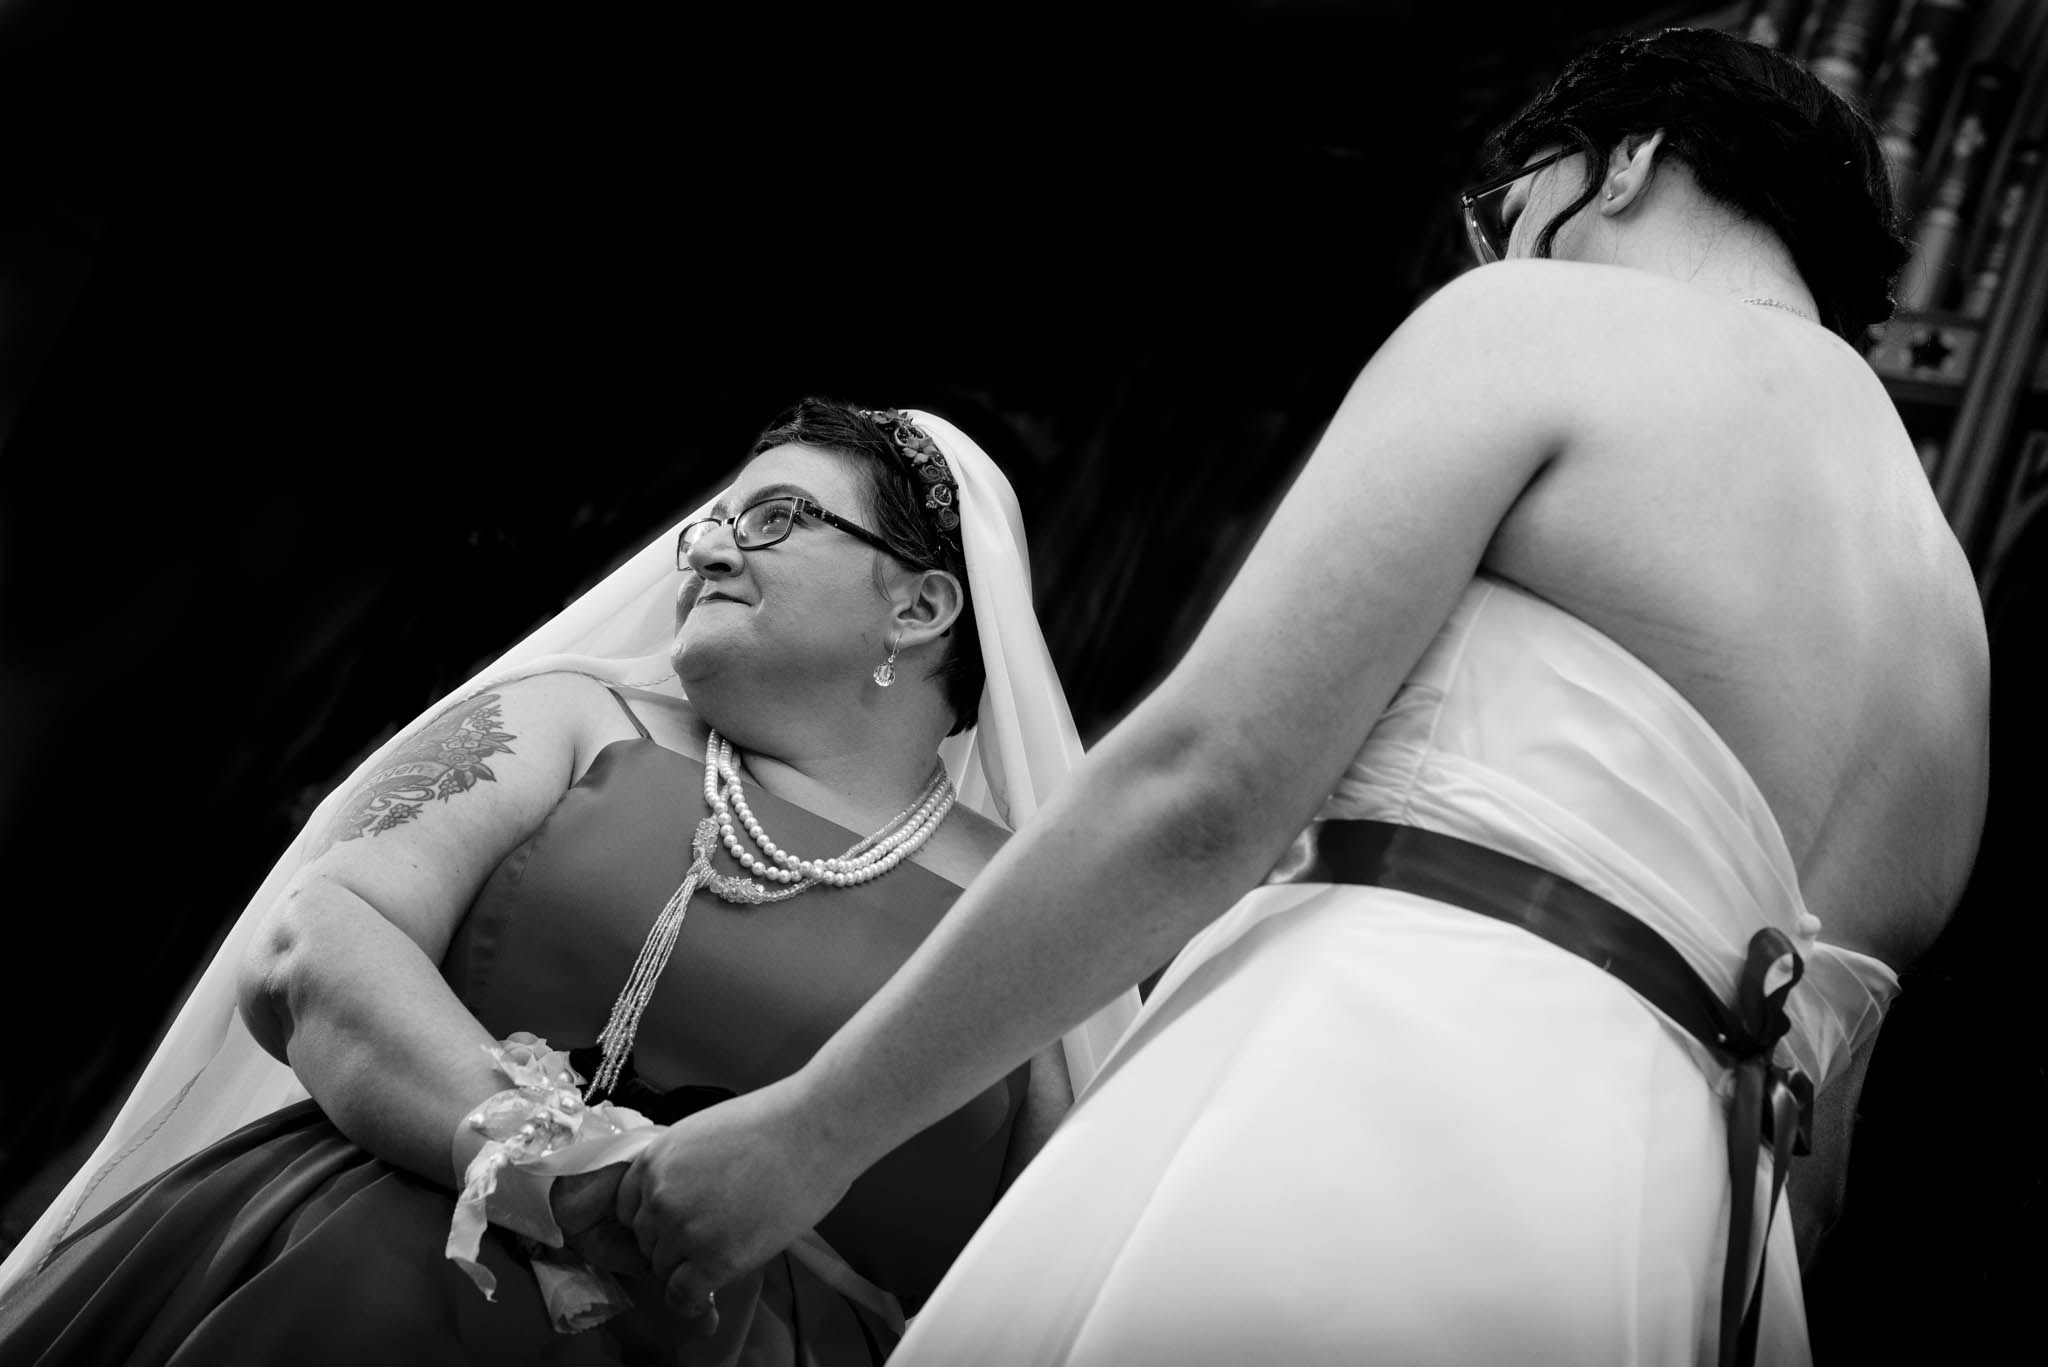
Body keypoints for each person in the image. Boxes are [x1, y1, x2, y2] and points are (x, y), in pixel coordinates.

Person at [609, 28, 1989, 1367]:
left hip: (1381, 1098)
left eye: (1510, 215)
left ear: (1619, 165)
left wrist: (814, 1129)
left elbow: (1204, 784)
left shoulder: (1562, 324)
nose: (1497, 255)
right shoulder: (1951, 628)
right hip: (1672, 1251)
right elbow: (1817, 1161)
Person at [0, 400, 1140, 1365]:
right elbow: (318, 937)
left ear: (920, 606)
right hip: (380, 1290)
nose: (704, 546)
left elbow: (1059, 1269)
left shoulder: (1038, 902)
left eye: (777, 517)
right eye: (712, 519)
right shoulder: (570, 715)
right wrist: (568, 1171)